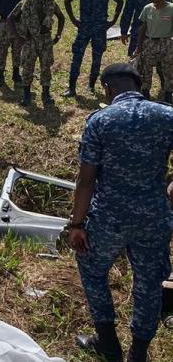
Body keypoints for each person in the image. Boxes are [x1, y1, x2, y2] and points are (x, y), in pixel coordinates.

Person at [68, 63, 173, 362]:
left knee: (91, 266)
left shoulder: (100, 121)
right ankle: (138, 353)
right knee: (149, 282)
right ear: (139, 86)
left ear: (106, 89)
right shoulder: (167, 116)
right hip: (153, 217)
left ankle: (108, 343)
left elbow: (86, 179)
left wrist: (77, 224)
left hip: (109, 218)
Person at [63, 0, 123, 96]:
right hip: (84, 28)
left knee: (97, 58)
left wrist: (113, 20)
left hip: (99, 29)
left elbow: (120, 1)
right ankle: (72, 88)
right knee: (77, 56)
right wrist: (73, 19)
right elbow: (67, 1)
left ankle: (91, 86)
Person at [7, 0, 65, 106]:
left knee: (46, 68)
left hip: (45, 40)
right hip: (30, 40)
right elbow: (10, 18)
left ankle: (46, 94)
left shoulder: (50, 2)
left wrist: (58, 35)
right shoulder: (24, 3)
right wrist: (17, 36)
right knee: (27, 68)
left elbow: (61, 17)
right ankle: (26, 95)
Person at [133, 0, 173, 102]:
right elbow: (142, 28)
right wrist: (138, 46)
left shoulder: (171, 9)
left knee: (169, 70)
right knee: (146, 70)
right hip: (150, 43)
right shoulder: (148, 8)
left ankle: (168, 96)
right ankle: (145, 95)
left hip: (166, 43)